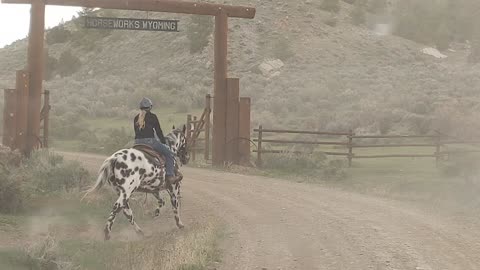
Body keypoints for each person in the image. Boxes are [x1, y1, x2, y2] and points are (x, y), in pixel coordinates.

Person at [133, 97, 180, 184]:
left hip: (137, 143)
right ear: (150, 107)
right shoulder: (153, 117)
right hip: (150, 142)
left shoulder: (136, 118)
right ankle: (170, 175)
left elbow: (136, 132)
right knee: (169, 154)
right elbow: (158, 131)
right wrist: (163, 143)